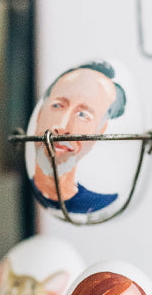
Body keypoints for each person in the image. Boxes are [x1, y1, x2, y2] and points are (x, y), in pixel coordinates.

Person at [31, 61, 126, 214]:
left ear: (100, 131)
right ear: (40, 113)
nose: (62, 126)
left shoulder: (101, 203)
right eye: (57, 106)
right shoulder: (17, 191)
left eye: (83, 115)